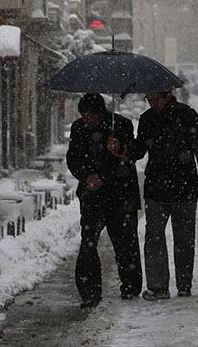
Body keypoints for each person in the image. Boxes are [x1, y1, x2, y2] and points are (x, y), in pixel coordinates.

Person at [130, 90, 198, 301]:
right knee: (154, 237)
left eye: (154, 99)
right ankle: (158, 287)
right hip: (156, 188)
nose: (151, 103)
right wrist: (123, 148)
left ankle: (184, 285)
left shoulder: (187, 114)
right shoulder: (147, 118)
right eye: (148, 100)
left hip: (184, 186)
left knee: (184, 238)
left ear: (167, 96)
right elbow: (139, 151)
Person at [66, 93, 142, 308]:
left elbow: (130, 158)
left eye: (90, 115)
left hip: (120, 195)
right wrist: (86, 176)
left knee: (125, 243)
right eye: (84, 115)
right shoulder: (79, 128)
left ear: (100, 113)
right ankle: (89, 292)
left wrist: (117, 150)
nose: (87, 119)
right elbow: (73, 158)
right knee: (88, 242)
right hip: (92, 197)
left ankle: (130, 285)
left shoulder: (121, 125)